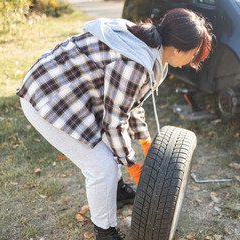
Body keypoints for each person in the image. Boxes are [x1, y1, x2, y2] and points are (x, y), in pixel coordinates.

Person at [17, 8, 212, 240]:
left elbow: (129, 102)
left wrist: (144, 139)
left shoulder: (150, 44)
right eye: (193, 55)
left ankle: (117, 191)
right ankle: (105, 231)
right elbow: (114, 122)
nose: (192, 62)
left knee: (111, 150)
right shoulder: (135, 61)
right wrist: (130, 163)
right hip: (47, 94)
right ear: (178, 49)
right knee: (101, 167)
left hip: (72, 90)